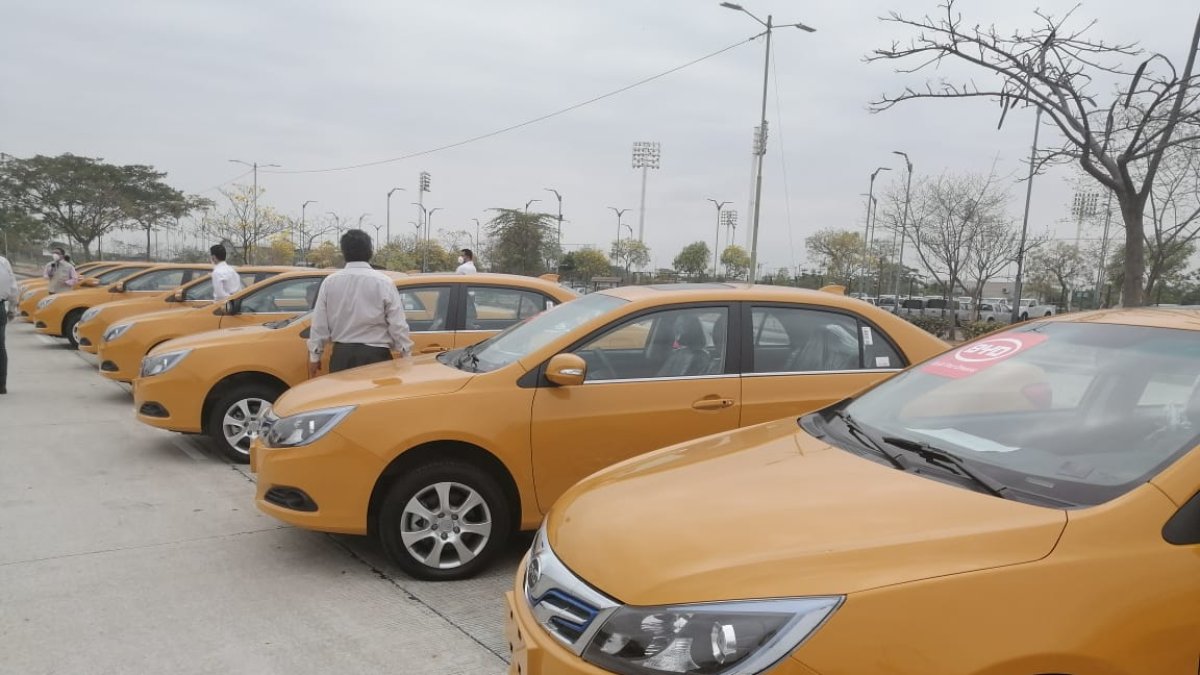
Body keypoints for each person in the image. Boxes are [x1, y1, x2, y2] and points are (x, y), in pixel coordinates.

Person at [307, 229, 412, 377]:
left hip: (342, 356)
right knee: (373, 399)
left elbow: (319, 324)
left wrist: (315, 356)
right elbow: (397, 324)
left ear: (343, 252)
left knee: (343, 399)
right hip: (376, 356)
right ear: (370, 251)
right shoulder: (384, 282)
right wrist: (405, 353)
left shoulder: (330, 283)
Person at [0, 252, 17, 394]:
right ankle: (1, 385)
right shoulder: (3, 262)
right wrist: (12, 309)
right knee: (0, 347)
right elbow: (13, 289)